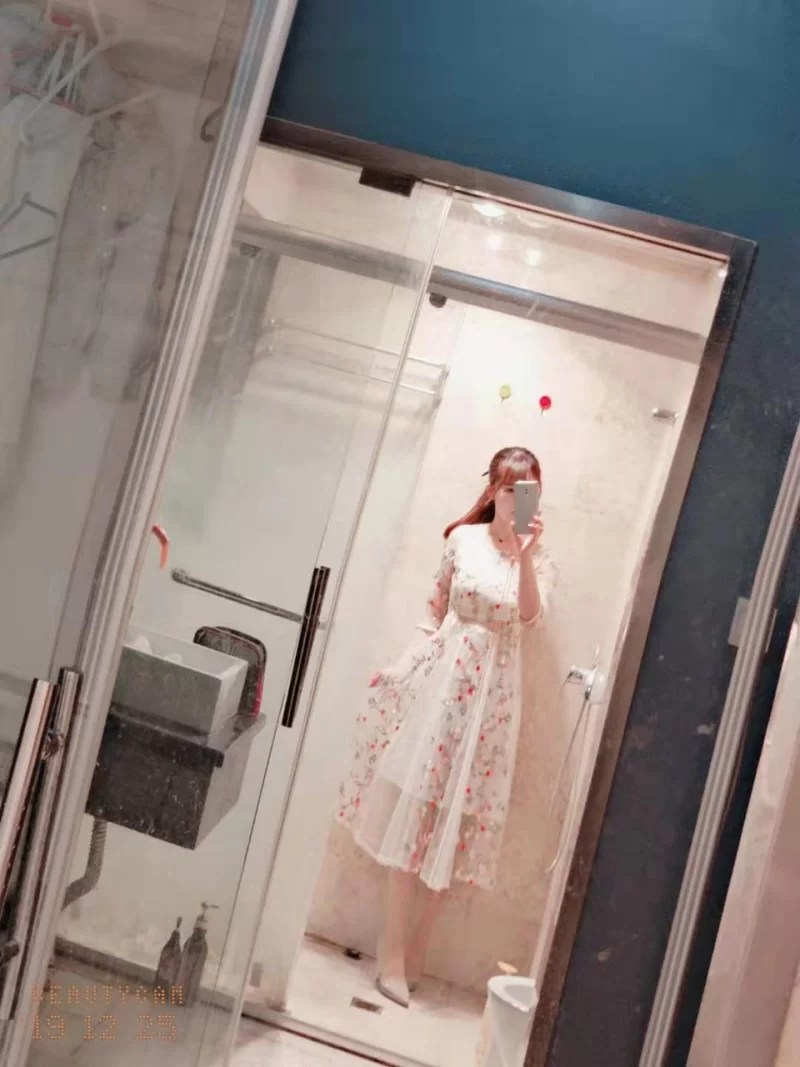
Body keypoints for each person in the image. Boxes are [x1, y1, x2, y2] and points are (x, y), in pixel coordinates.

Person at [337, 446, 555, 1006]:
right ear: (493, 491)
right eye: (510, 488)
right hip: (441, 688)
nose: (518, 499)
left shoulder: (538, 558)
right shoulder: (463, 541)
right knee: (412, 813)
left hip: (493, 703)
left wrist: (526, 557)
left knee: (454, 828)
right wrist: (400, 668)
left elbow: (530, 618)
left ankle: (418, 952)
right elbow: (433, 616)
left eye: (529, 490)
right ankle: (390, 955)